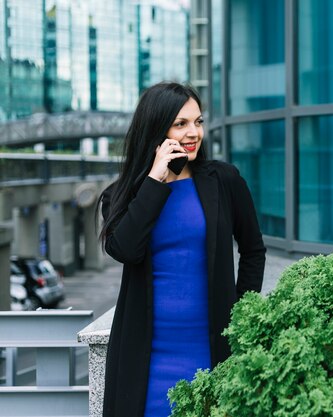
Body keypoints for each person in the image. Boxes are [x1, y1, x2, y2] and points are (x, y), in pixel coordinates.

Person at [98, 82, 266, 417]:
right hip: (144, 360)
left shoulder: (224, 179)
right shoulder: (121, 195)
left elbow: (253, 250)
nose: (194, 133)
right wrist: (154, 181)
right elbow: (125, 249)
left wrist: (241, 316)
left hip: (211, 350)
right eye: (181, 124)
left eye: (198, 122)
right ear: (156, 129)